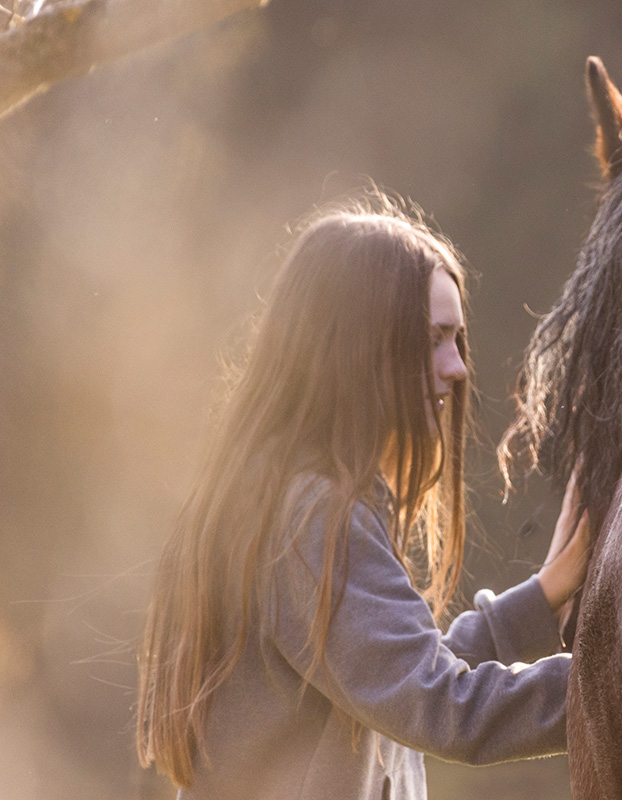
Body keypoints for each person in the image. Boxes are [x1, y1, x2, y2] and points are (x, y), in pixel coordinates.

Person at [135, 198, 590, 800]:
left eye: (458, 340)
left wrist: (543, 595)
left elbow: (395, 687)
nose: (457, 367)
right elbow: (438, 705)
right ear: (357, 348)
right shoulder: (313, 517)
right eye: (433, 340)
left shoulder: (286, 498)